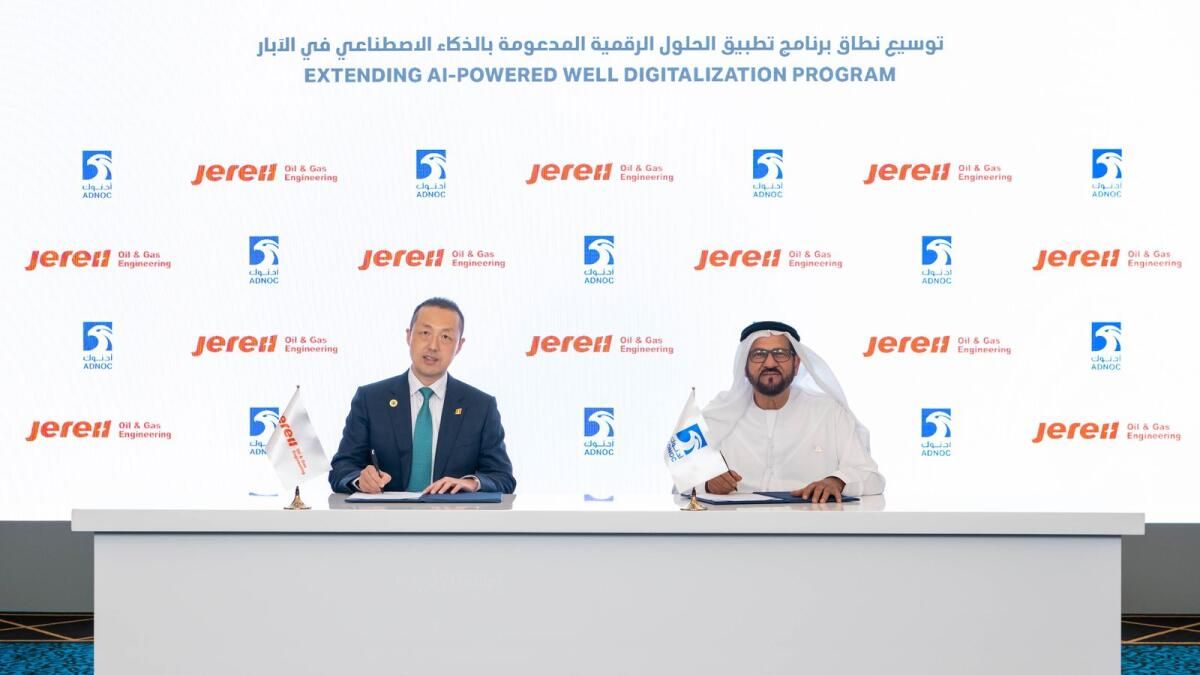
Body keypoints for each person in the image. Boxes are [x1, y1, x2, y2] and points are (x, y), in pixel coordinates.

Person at [329, 298, 516, 495]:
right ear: (409, 335)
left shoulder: (480, 406)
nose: (433, 346)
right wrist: (361, 480)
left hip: (452, 514)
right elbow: (342, 468)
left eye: (445, 337)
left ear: (459, 346)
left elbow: (502, 477)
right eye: (425, 333)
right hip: (385, 514)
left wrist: (472, 483)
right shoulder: (370, 399)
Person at [700, 321, 884, 503]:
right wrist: (707, 484)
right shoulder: (716, 414)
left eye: (780, 354)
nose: (770, 363)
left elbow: (871, 477)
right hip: (737, 521)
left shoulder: (830, 412)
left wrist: (837, 481)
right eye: (758, 354)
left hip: (811, 520)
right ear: (744, 366)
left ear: (796, 364)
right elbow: (685, 474)